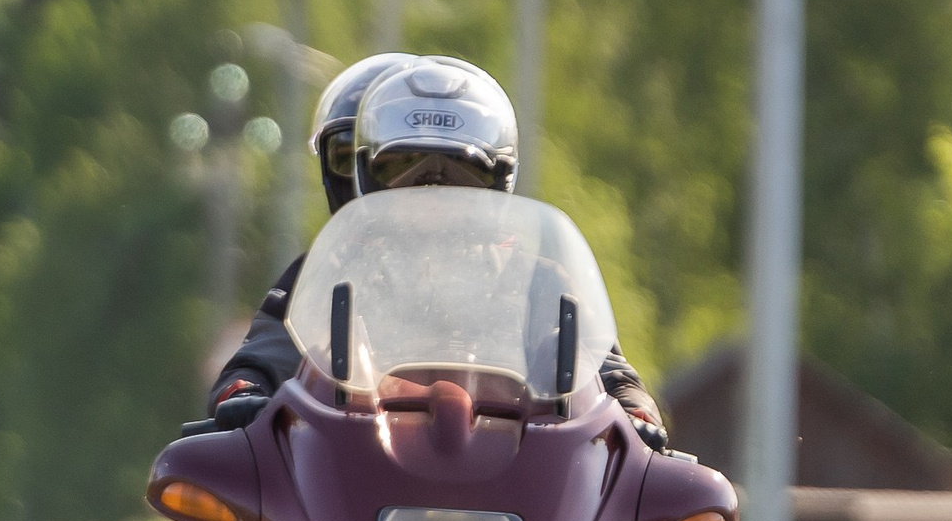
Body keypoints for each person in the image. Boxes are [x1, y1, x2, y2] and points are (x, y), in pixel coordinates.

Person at [203, 54, 667, 447]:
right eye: (404, 167)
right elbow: (271, 347)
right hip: (352, 476)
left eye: (462, 171)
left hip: (519, 485)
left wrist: (635, 412)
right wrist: (245, 390)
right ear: (369, 175)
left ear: (499, 181)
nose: (433, 188)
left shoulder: (539, 280)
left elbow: (603, 365)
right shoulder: (333, 271)